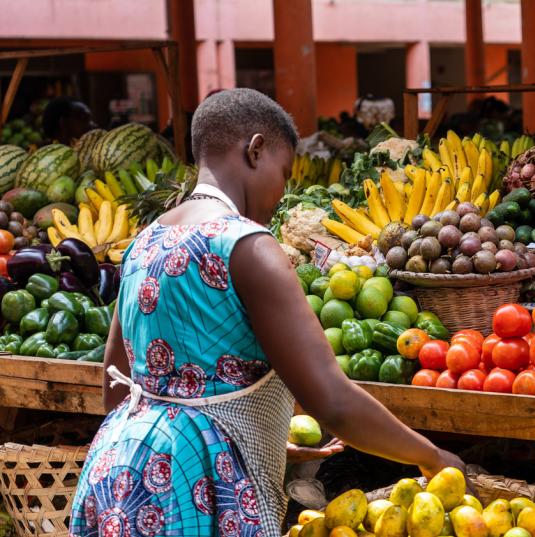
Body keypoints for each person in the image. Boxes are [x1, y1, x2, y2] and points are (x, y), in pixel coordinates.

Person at [69, 88, 465, 536]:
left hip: (119, 476)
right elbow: (332, 403)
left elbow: (116, 389)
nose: (283, 191)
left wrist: (257, 434)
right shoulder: (248, 246)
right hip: (196, 485)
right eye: (284, 172)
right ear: (256, 150)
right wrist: (431, 456)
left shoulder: (144, 242)